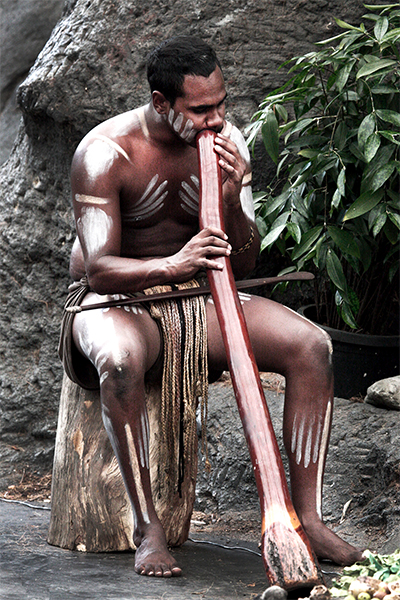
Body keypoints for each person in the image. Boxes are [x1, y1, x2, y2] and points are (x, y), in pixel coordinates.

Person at [62, 35, 363, 578]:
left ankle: (307, 519)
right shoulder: (107, 152)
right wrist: (172, 264)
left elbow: (244, 262)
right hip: (115, 298)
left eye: (221, 104)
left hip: (201, 295)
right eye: (200, 109)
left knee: (311, 345)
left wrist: (228, 198)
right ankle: (146, 526)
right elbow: (98, 267)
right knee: (121, 361)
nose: (215, 119)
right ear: (161, 103)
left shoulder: (230, 143)